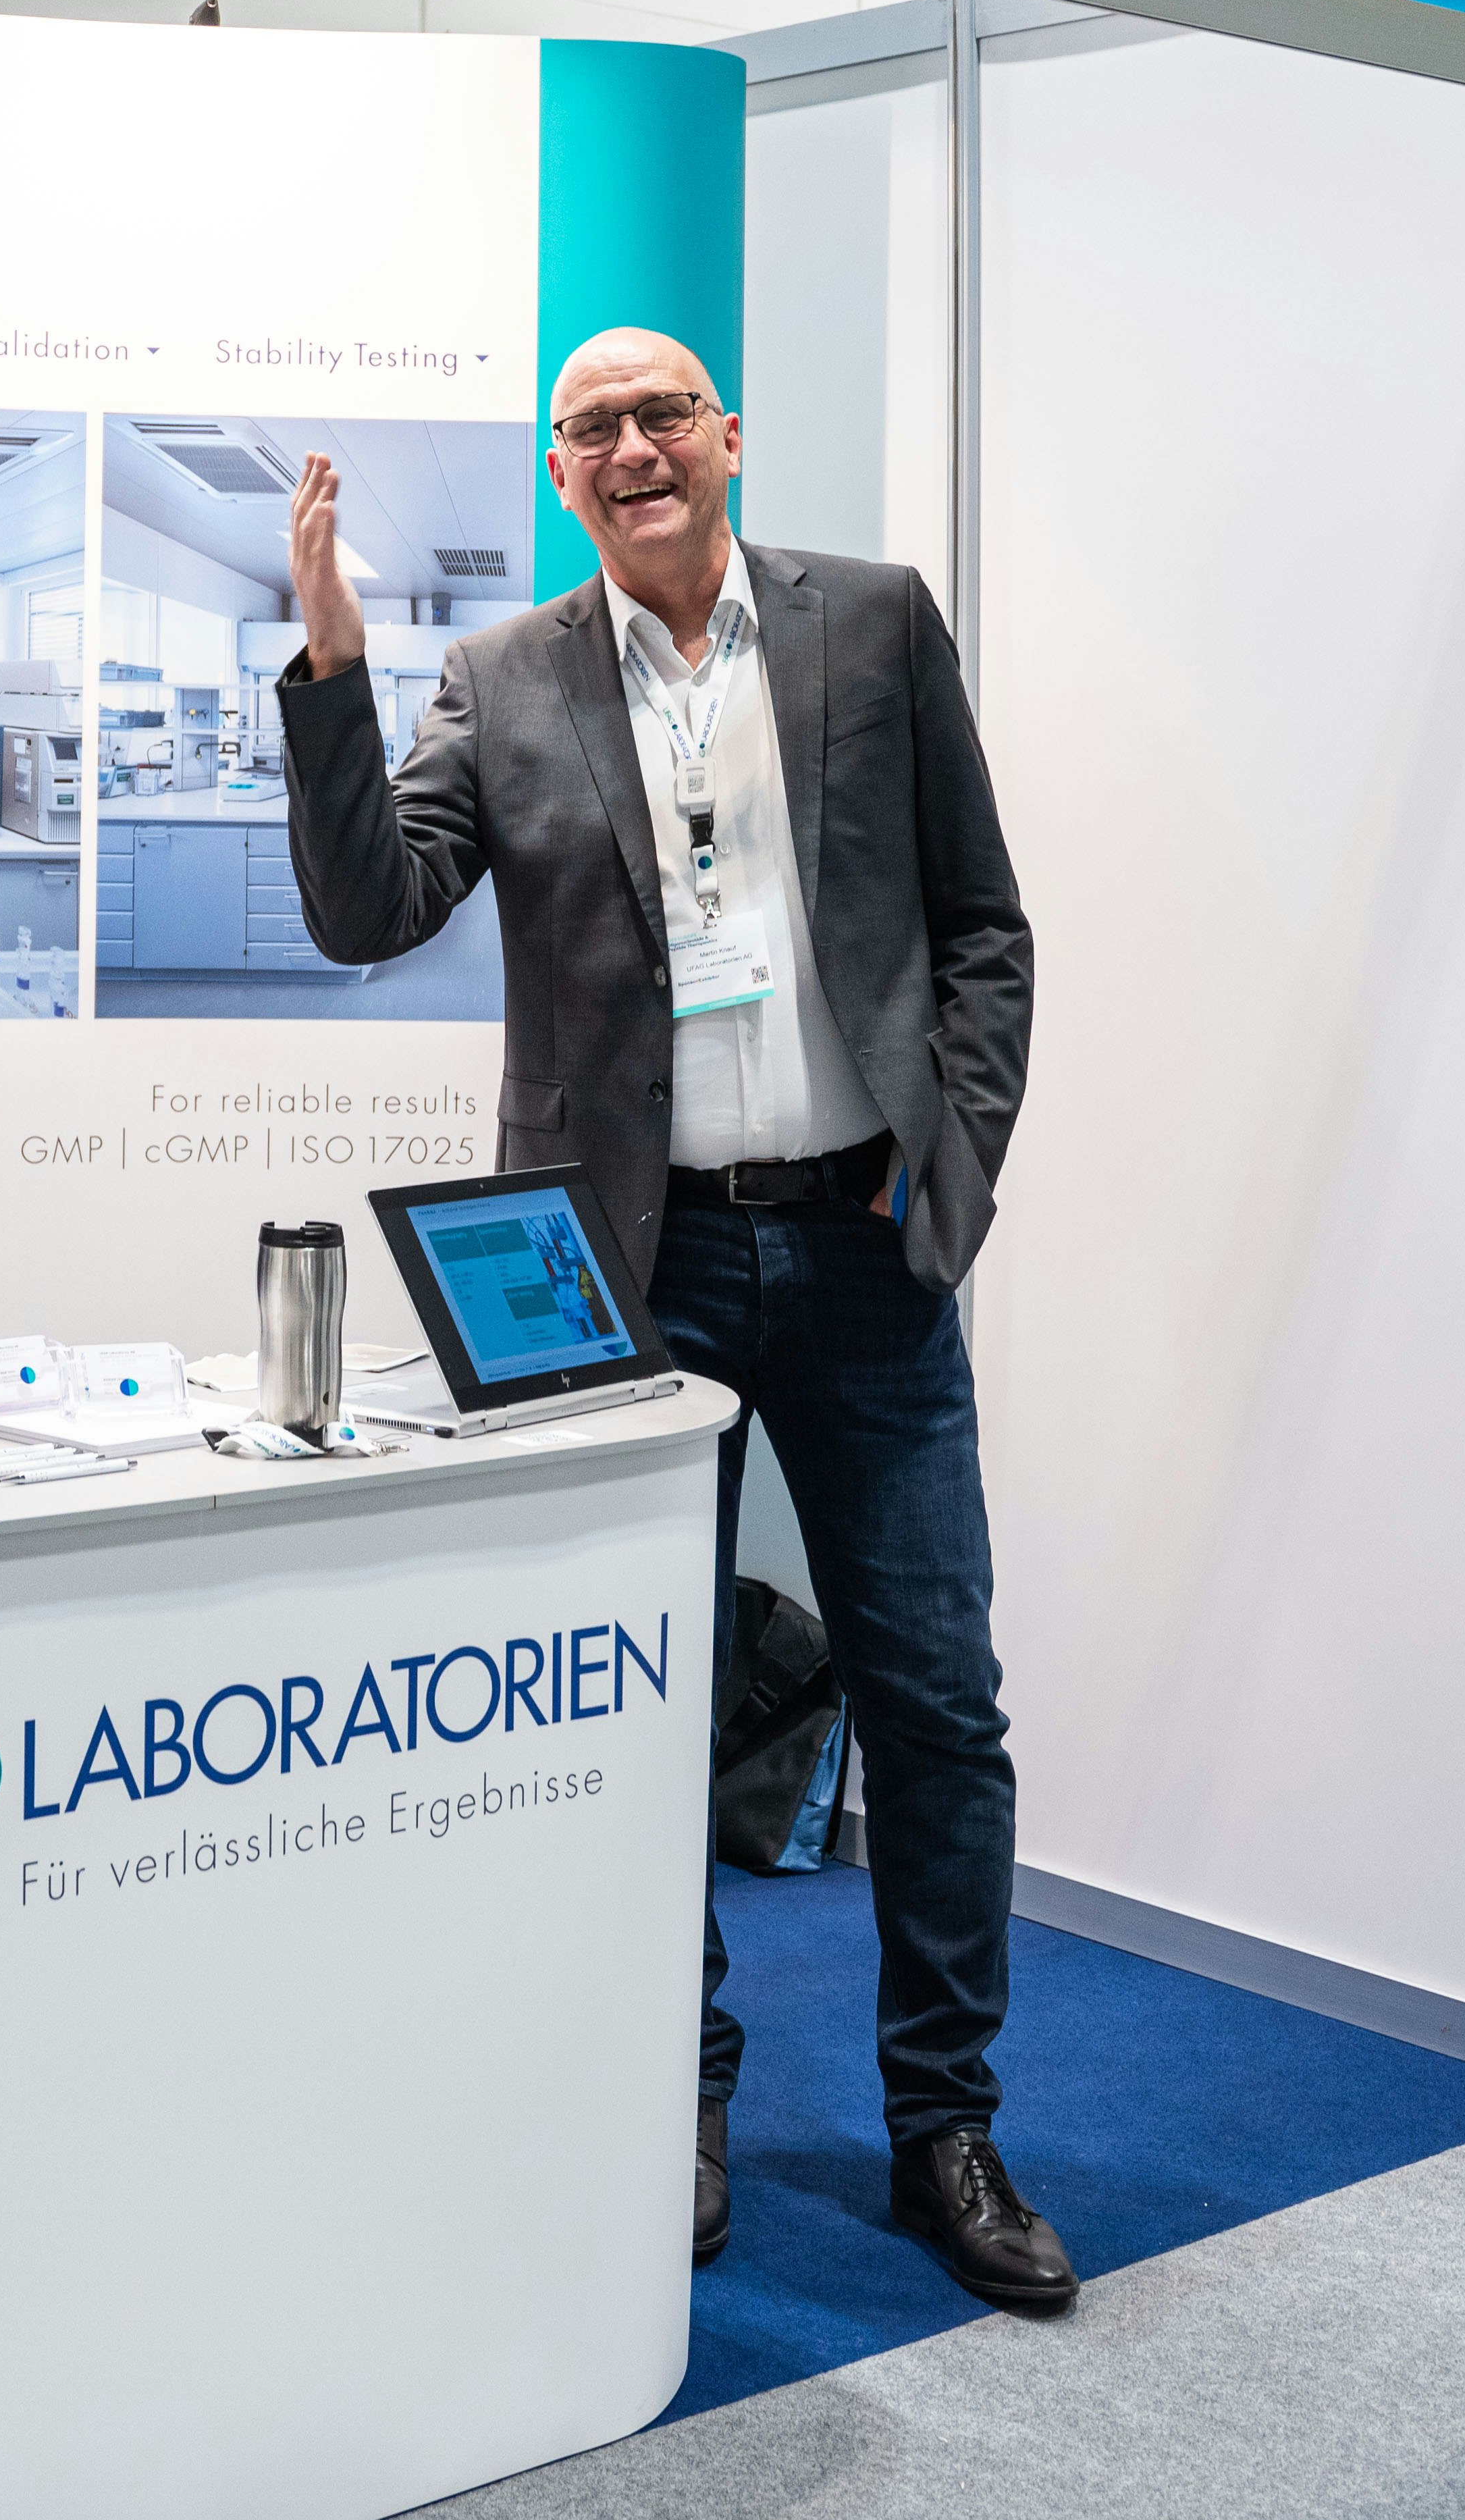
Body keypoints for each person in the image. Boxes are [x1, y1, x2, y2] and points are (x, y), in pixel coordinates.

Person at [276, 326, 1063, 2315]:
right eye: (591, 427)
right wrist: (329, 669)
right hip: (629, 1268)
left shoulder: (874, 625)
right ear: (562, 473)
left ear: (729, 434)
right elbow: (373, 909)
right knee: (639, 1714)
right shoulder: (503, 678)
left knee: (937, 1700)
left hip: (865, 1244)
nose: (631, 446)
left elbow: (984, 920)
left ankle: (946, 2119)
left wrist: (950, 1149)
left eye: (660, 412)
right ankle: (676, 2089)